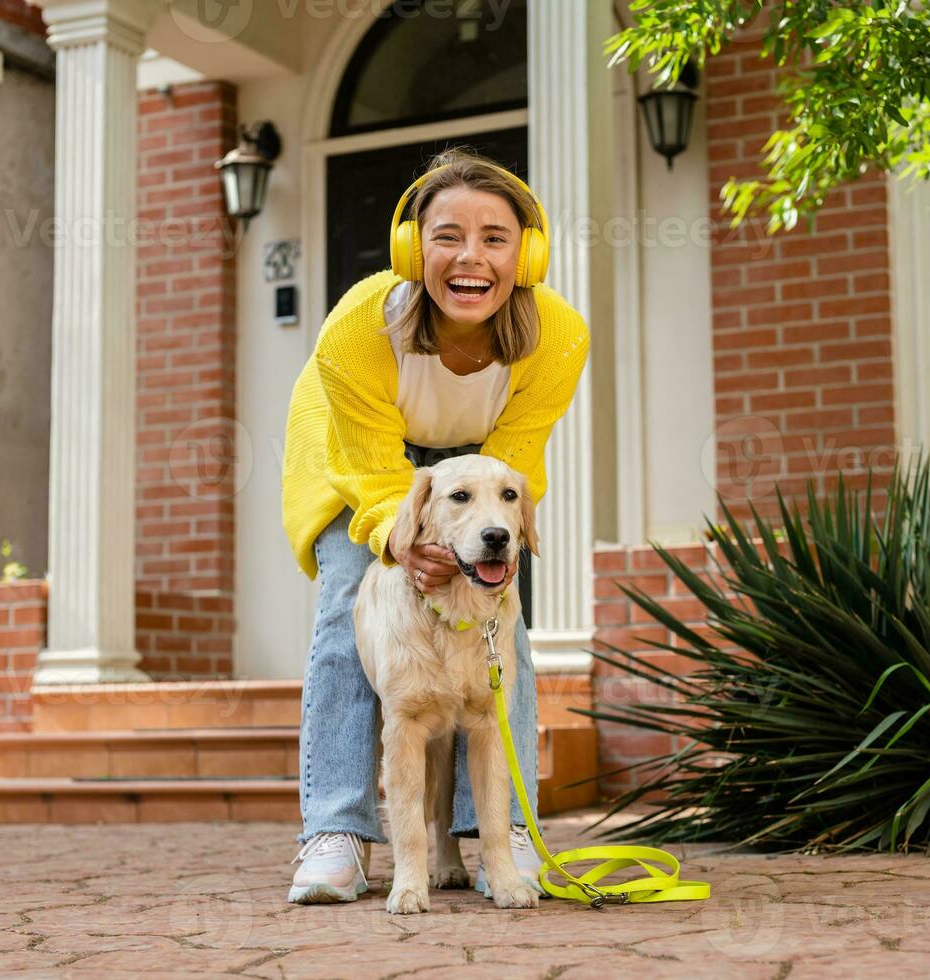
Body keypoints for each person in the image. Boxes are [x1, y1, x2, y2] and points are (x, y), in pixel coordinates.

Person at [280, 148, 591, 903]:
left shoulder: (558, 336)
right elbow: (371, 471)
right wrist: (403, 537)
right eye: (447, 235)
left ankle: (498, 834)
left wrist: (486, 548)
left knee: (498, 616)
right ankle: (337, 831)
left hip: (475, 474)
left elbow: (513, 468)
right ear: (413, 248)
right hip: (364, 459)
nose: (470, 257)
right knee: (354, 596)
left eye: (495, 237)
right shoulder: (360, 326)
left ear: (528, 254)